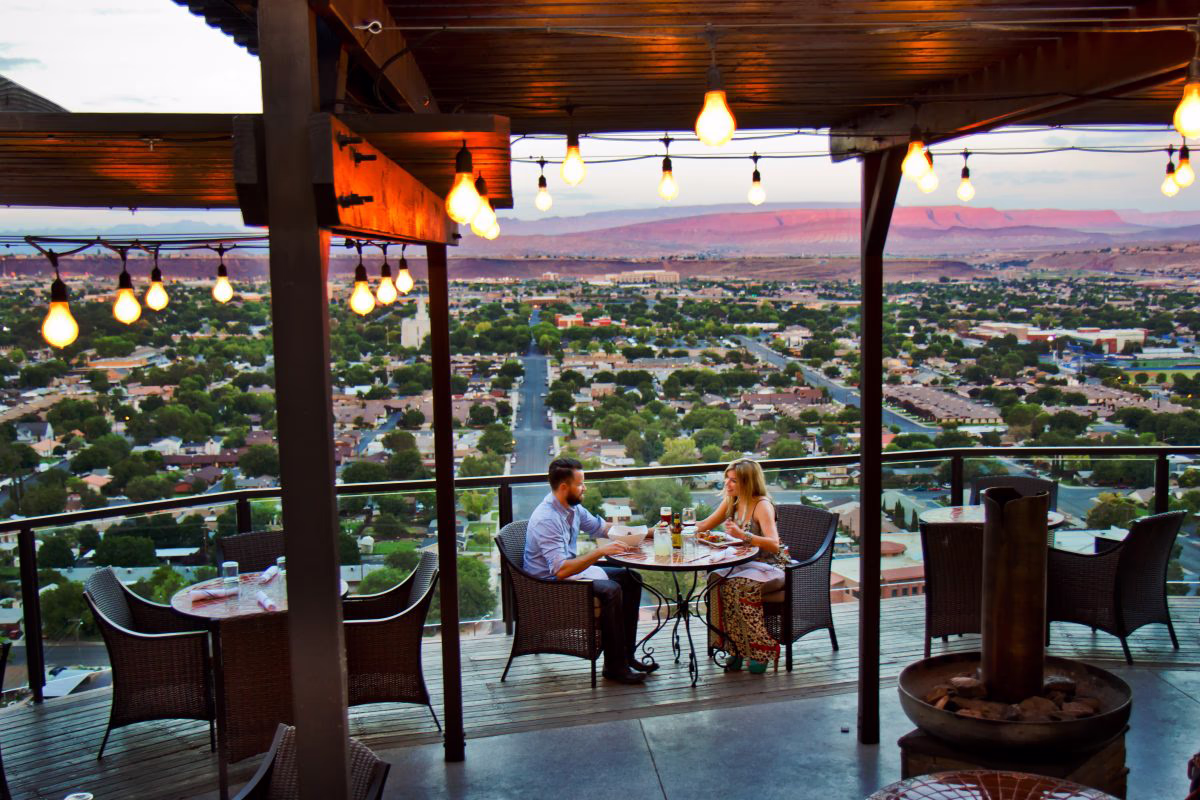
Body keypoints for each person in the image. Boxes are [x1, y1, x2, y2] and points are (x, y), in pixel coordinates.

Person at [524, 457, 655, 685]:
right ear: (564, 487)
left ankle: (626, 656)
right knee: (611, 590)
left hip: (566, 574)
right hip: (548, 587)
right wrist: (600, 552)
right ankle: (614, 668)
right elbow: (562, 570)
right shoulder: (547, 519)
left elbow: (602, 528)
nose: (585, 488)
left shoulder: (571, 509)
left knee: (631, 578)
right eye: (581, 484)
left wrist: (648, 532)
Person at [697, 458, 787, 674]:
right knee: (716, 581)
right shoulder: (732, 501)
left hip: (771, 566)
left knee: (737, 586)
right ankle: (734, 648)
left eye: (733, 481)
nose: (727, 485)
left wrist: (742, 535)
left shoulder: (761, 505)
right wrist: (673, 527)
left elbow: (774, 545)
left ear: (748, 482)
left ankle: (762, 649)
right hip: (745, 564)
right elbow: (703, 525)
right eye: (727, 479)